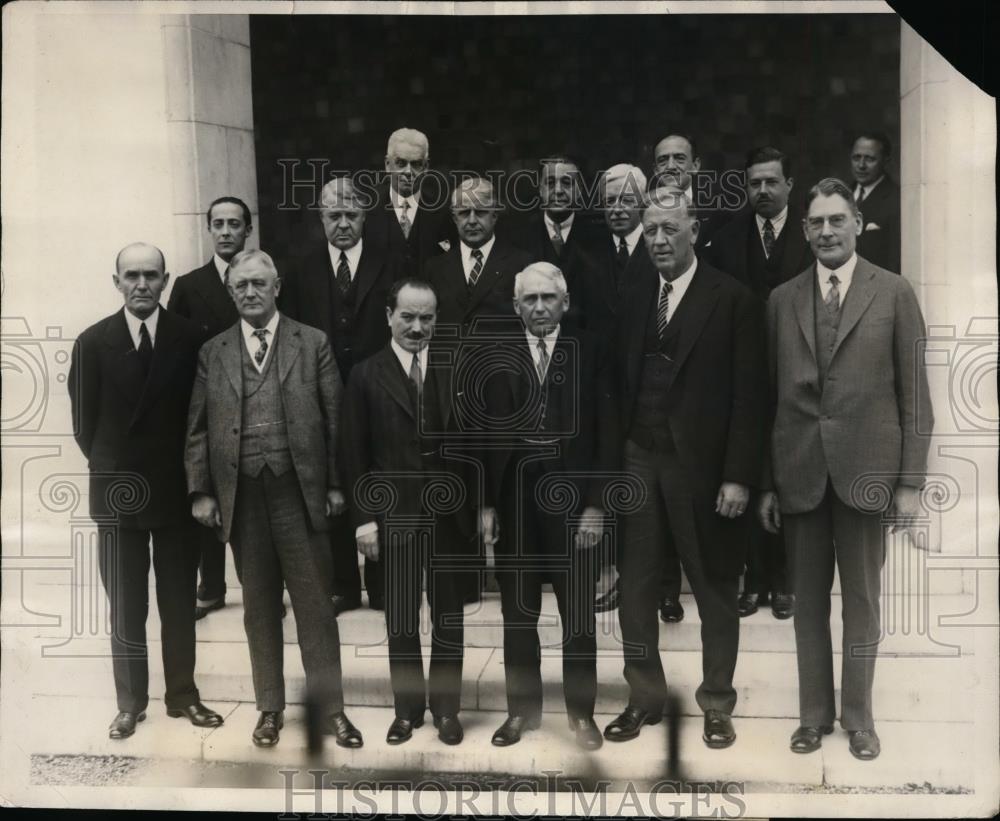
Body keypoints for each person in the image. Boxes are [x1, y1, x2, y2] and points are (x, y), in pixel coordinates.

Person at [759, 177, 932, 761]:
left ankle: (859, 716)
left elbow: (915, 396)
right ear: (804, 230)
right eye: (817, 223)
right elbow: (767, 398)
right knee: (807, 602)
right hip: (800, 472)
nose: (827, 231)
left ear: (858, 223)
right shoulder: (782, 300)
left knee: (862, 600)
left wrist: (909, 482)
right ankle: (813, 716)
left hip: (867, 474)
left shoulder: (895, 293)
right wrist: (766, 482)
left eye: (838, 220)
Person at [605, 189, 766, 750]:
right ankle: (644, 698)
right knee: (636, 586)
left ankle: (717, 704)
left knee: (715, 586)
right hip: (638, 457)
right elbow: (615, 382)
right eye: (650, 230)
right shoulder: (632, 292)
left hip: (701, 468)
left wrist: (738, 476)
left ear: (695, 230)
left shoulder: (733, 299)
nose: (658, 240)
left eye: (670, 229)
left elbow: (750, 396)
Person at [185, 249, 362, 749]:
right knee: (258, 608)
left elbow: (335, 421)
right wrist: (201, 490)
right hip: (242, 497)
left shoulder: (313, 343)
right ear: (230, 291)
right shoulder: (214, 351)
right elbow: (197, 429)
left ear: (277, 285)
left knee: (314, 608)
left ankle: (333, 712)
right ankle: (269, 710)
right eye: (240, 286)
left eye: (259, 283)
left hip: (299, 492)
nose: (249, 293)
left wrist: (333, 485)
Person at [69, 242, 223, 739]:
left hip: (176, 490)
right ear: (116, 281)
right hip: (118, 493)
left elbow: (202, 417)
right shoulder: (93, 342)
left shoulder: (190, 336)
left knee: (179, 601)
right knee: (126, 604)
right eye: (131, 275)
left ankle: (182, 696)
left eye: (151, 275)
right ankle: (130, 702)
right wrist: (117, 471)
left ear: (164, 280)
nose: (141, 284)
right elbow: (83, 423)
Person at [481, 262, 616, 751]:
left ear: (566, 302)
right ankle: (522, 712)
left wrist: (598, 505)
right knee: (518, 613)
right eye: (530, 299)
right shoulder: (495, 354)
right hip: (515, 503)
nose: (540, 307)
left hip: (574, 505)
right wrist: (486, 505)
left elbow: (607, 432)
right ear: (516, 307)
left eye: (548, 298)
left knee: (578, 614)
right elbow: (482, 435)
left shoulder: (592, 349)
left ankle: (581, 716)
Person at [339, 279, 473, 747]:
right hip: (392, 516)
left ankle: (448, 710)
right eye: (408, 317)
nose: (418, 327)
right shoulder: (364, 374)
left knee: (449, 616)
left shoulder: (457, 366)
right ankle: (406, 710)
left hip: (449, 518)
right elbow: (354, 455)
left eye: (428, 318)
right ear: (389, 316)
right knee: (399, 617)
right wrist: (363, 519)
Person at [280, 176, 401, 616]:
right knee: (329, 480)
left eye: (352, 215)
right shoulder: (300, 268)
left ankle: (384, 582)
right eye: (335, 216)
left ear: (364, 217)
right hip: (319, 391)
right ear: (322, 218)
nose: (344, 223)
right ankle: (341, 586)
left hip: (378, 389)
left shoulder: (389, 262)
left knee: (376, 477)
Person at [704, 147, 813, 620]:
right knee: (746, 464)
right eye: (754, 184)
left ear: (789, 184)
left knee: (789, 468)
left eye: (772, 182)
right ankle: (753, 577)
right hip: (743, 372)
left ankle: (785, 579)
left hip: (799, 369)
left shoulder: (813, 235)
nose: (763, 191)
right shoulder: (728, 241)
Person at [577, 164, 676, 618]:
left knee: (658, 487)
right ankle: (610, 573)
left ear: (642, 205)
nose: (617, 209)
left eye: (626, 200)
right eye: (610, 201)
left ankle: (666, 587)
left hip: (650, 389)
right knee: (608, 474)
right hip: (602, 385)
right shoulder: (586, 252)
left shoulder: (661, 252)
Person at [167, 196, 248, 620]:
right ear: (209, 229)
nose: (225, 231)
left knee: (252, 500)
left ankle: (262, 588)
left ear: (247, 231)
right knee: (208, 497)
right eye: (218, 223)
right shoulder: (188, 284)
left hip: (253, 402)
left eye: (234, 224)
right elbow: (177, 347)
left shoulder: (260, 276)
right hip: (208, 403)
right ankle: (212, 586)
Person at [424, 177, 532, 335]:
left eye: (480, 212)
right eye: (464, 213)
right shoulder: (434, 268)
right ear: (454, 218)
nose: (472, 221)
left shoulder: (521, 264)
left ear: (494, 216)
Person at [505, 155, 603, 325]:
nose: (558, 190)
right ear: (541, 190)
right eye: (550, 183)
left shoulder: (600, 238)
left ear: (579, 190)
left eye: (566, 183)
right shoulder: (518, 239)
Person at [363, 127, 456, 279]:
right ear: (387, 164)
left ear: (426, 167)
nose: (408, 172)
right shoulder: (367, 213)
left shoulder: (442, 214)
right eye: (400, 163)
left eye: (416, 164)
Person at [650, 133, 730, 250]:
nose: (671, 166)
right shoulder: (645, 210)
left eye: (679, 158)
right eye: (663, 160)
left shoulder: (718, 210)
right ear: (656, 170)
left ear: (695, 166)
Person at [849, 132, 900, 274]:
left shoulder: (897, 200)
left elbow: (894, 262)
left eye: (870, 159)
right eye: (856, 157)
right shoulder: (841, 195)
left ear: (886, 161)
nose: (861, 165)